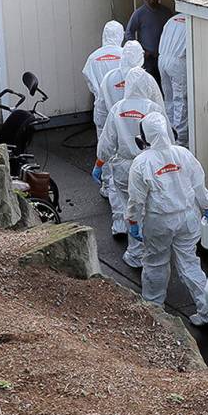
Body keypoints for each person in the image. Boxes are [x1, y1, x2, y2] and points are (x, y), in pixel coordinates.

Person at [125, 111, 208, 326]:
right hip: (187, 218)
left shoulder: (141, 163)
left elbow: (136, 200)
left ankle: (154, 310)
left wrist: (133, 221)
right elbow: (199, 185)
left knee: (155, 263)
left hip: (159, 222)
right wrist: (207, 208)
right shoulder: (183, 154)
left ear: (144, 137)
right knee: (189, 263)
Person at [95, 67, 164, 268]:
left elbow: (107, 141)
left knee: (130, 207)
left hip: (124, 167)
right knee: (150, 207)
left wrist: (100, 163)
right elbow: (165, 137)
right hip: (149, 165)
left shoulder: (118, 109)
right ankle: (152, 250)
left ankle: (135, 253)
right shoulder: (153, 108)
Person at [81, 20, 124, 198]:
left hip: (102, 107)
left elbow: (90, 81)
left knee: (104, 144)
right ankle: (121, 185)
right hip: (121, 106)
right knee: (121, 144)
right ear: (120, 35)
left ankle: (107, 185)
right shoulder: (124, 56)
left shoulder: (93, 58)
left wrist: (100, 94)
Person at [93, 41, 164, 138]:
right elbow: (159, 109)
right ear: (140, 57)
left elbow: (101, 110)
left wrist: (103, 134)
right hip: (145, 138)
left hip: (116, 134)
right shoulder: (147, 79)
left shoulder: (109, 78)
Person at [125, 0, 172, 86]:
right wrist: (140, 50)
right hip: (147, 59)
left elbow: (173, 33)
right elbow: (129, 32)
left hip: (163, 57)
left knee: (164, 87)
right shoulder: (139, 13)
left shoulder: (166, 12)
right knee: (148, 86)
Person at [158, 15, 188, 146]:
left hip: (162, 59)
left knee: (168, 99)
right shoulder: (190, 21)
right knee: (180, 101)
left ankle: (168, 134)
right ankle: (180, 140)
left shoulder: (171, 20)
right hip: (178, 62)